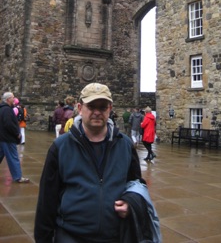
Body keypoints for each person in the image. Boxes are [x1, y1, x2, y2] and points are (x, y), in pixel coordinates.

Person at [34, 83, 161, 242]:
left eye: (102, 107)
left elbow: (136, 183)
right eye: (91, 106)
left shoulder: (125, 145)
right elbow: (47, 201)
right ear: (80, 108)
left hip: (114, 236)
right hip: (71, 235)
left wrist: (131, 202)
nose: (97, 112)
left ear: (110, 109)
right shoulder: (61, 147)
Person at [0, 92, 30, 183]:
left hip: (2, 137)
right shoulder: (7, 110)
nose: (14, 99)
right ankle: (18, 176)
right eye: (13, 97)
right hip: (8, 138)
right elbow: (9, 124)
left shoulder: (2, 109)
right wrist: (17, 133)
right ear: (8, 99)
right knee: (13, 157)